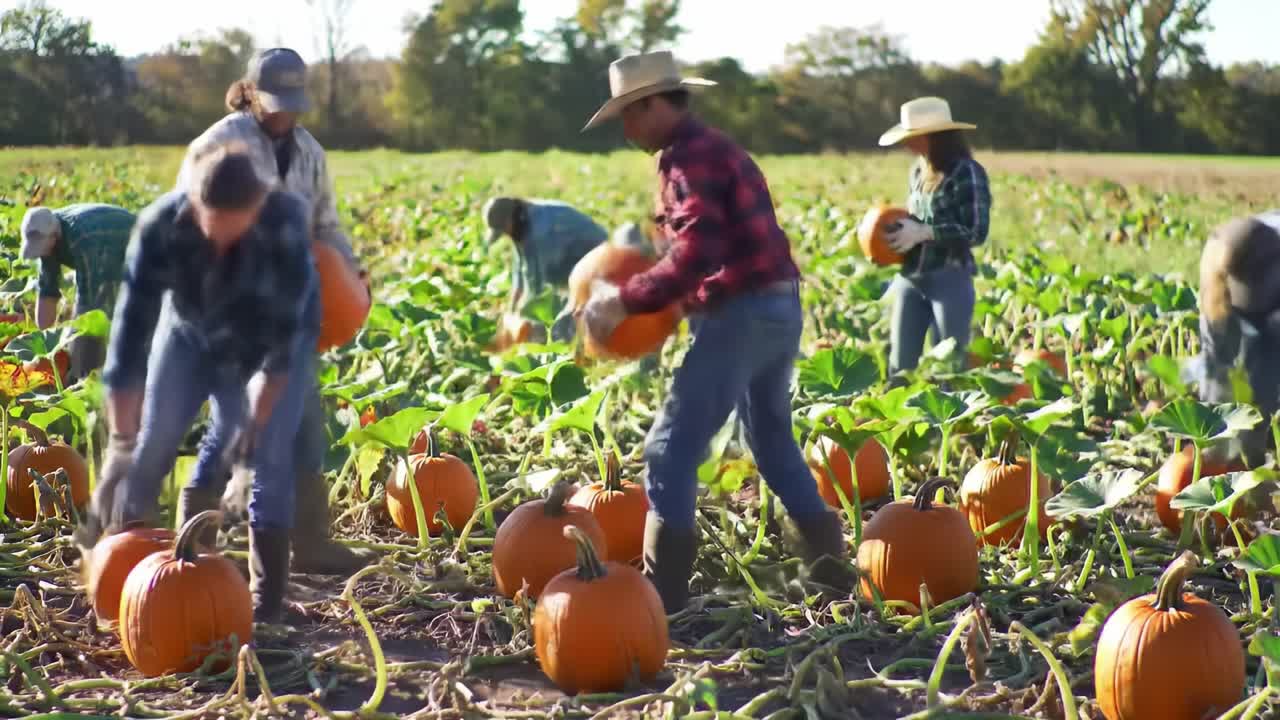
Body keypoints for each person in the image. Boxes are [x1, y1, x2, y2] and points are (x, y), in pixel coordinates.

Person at [578, 50, 852, 613]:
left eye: (630, 116)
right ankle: (831, 574)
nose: (627, 131)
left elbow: (699, 249)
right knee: (770, 440)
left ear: (655, 104)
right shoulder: (715, 147)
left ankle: (664, 602)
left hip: (743, 314)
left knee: (669, 450)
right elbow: (719, 246)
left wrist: (623, 301)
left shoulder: (686, 159)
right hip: (779, 307)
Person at [79, 143, 320, 623]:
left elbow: (283, 342)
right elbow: (129, 339)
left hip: (267, 341)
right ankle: (126, 580)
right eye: (214, 233)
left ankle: (265, 606)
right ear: (193, 205)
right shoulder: (159, 228)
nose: (222, 247)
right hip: (187, 332)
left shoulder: (286, 223)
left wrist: (255, 426)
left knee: (268, 453)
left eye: (235, 235)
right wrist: (120, 440)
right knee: (155, 443)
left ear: (257, 207)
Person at [174, 47, 376, 576]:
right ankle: (193, 544)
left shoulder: (310, 153)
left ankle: (309, 543)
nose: (285, 114)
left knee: (308, 421)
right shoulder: (217, 146)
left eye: (293, 104)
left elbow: (326, 225)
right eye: (275, 102)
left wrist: (350, 275)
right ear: (252, 94)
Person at [877, 97, 991, 375]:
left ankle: (950, 415)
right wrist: (890, 241)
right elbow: (913, 218)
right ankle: (897, 416)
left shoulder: (967, 172)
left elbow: (976, 230)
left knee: (948, 364)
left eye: (912, 137)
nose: (907, 144)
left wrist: (927, 231)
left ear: (934, 137)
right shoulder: (917, 170)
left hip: (949, 277)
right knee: (900, 364)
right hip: (912, 276)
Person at [1184, 212, 1280, 467]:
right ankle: (1223, 454)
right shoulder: (1216, 255)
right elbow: (1216, 355)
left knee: (1267, 363)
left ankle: (1255, 456)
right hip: (1242, 262)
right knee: (1222, 356)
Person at [484, 197, 650, 342]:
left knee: (565, 324)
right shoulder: (521, 226)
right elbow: (520, 272)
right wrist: (511, 311)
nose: (505, 234)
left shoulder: (541, 230)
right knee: (555, 314)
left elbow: (541, 286)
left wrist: (526, 318)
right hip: (570, 262)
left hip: (599, 261)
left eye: (504, 230)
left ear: (510, 220)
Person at [19, 203, 135, 380]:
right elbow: (47, 291)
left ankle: (88, 377)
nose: (40, 252)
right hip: (102, 242)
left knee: (102, 317)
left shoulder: (83, 239)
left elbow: (89, 301)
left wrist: (73, 341)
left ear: (55, 236)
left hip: (132, 243)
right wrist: (45, 344)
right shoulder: (47, 230)